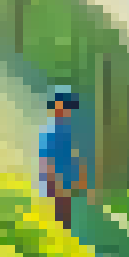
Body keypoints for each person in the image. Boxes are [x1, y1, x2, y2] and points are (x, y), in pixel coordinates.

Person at [37, 87, 86, 228]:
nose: (67, 111)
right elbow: (47, 158)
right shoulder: (51, 129)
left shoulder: (69, 129)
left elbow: (75, 156)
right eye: (64, 106)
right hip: (55, 182)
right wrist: (50, 180)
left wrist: (79, 177)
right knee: (56, 216)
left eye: (68, 107)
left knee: (64, 217)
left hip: (65, 182)